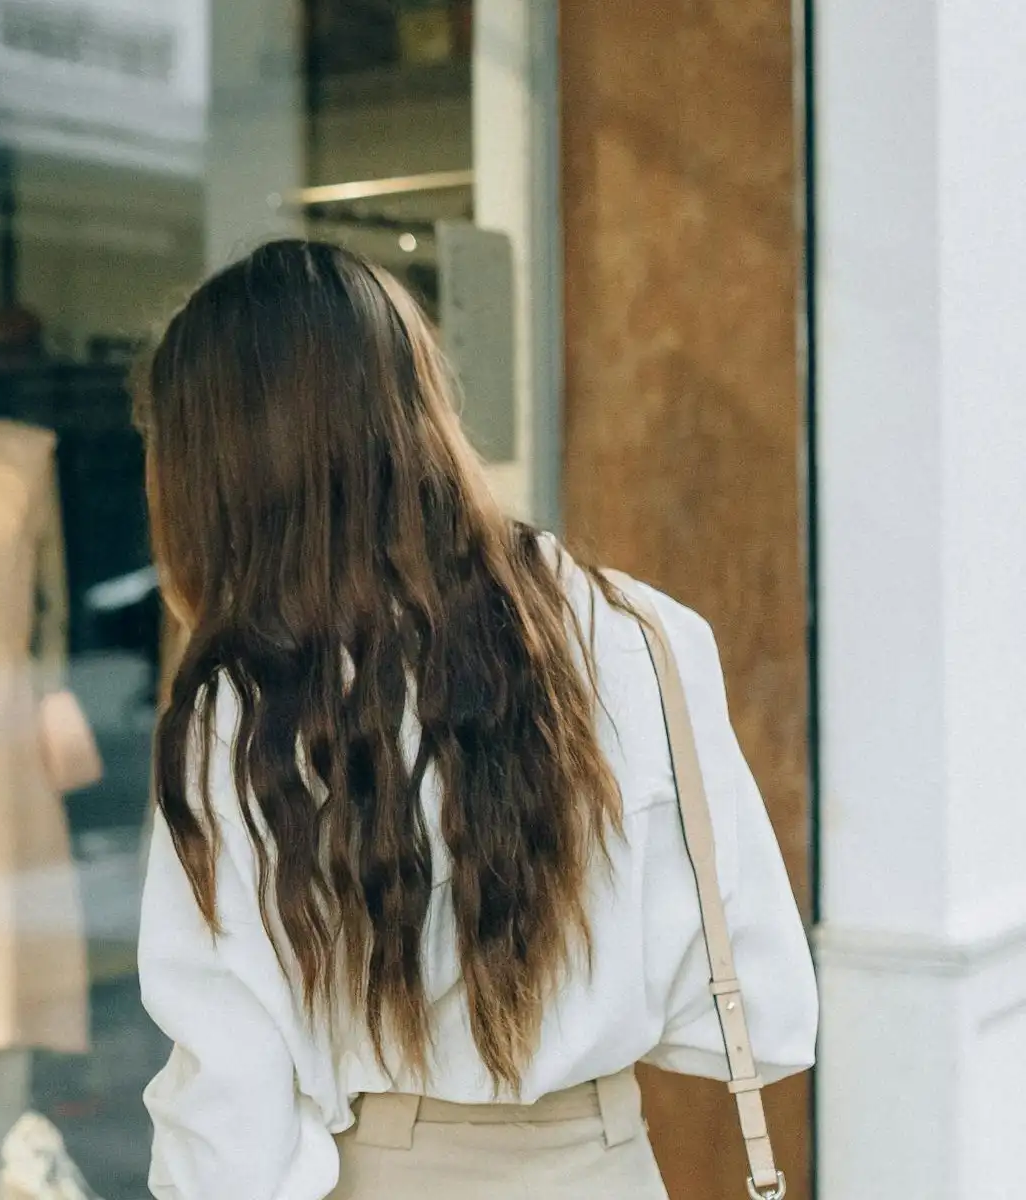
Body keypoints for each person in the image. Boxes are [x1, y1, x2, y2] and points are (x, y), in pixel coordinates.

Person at [132, 240, 817, 1199]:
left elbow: (231, 1119)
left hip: (391, 1171)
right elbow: (762, 1012)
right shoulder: (646, 633)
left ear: (222, 474)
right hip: (608, 1164)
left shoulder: (250, 709)